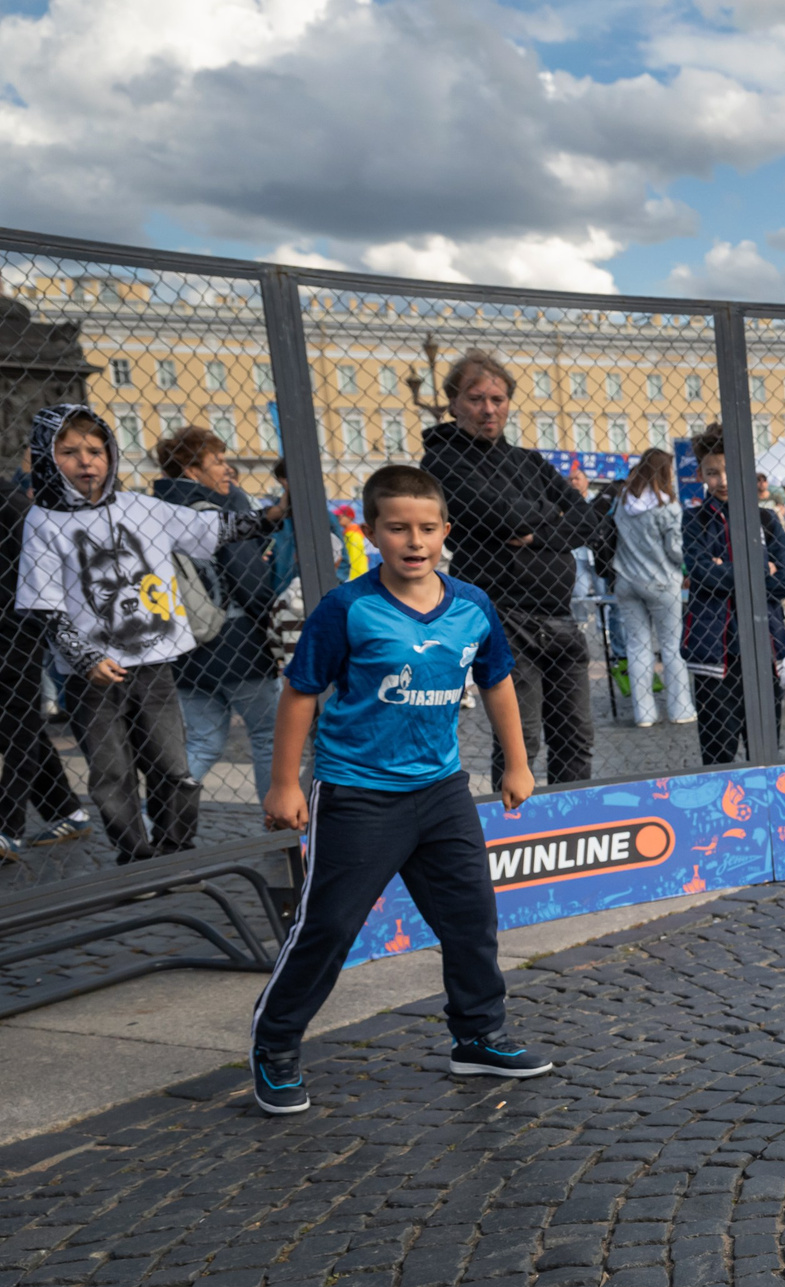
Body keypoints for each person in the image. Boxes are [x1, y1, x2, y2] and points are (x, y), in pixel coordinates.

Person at [247, 465, 546, 1114]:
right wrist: (284, 783)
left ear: (446, 531)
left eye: (427, 528)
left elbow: (496, 679)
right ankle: (274, 1045)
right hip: (357, 794)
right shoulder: (347, 609)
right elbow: (300, 692)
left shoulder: (472, 606)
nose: (415, 541)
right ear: (372, 531)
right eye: (399, 528)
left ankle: (477, 1035)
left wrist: (517, 764)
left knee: (471, 919)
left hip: (442, 791)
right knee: (328, 927)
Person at [16, 406, 269, 863]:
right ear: (47, 458)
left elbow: (212, 528)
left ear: (111, 454)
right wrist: (85, 658)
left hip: (154, 667)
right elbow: (43, 604)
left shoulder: (140, 507)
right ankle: (135, 858)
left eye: (95, 451)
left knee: (173, 765)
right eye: (69, 452)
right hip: (92, 678)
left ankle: (175, 849)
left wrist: (275, 515)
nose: (86, 461)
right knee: (111, 773)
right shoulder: (43, 521)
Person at [419, 350, 604, 790]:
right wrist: (552, 515)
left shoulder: (528, 461)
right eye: (476, 398)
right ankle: (519, 824)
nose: (489, 409)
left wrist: (535, 534)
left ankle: (571, 817)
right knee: (521, 741)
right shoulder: (442, 463)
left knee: (577, 738)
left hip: (559, 614)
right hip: (505, 616)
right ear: (454, 402)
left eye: (497, 399)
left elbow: (588, 521)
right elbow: (498, 512)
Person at [145, 427, 283, 801]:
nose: (227, 469)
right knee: (268, 735)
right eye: (218, 461)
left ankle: (154, 820)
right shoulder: (214, 514)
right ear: (192, 470)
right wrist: (270, 626)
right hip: (238, 645)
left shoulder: (155, 513)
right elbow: (248, 580)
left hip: (183, 645)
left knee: (203, 740)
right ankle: (280, 823)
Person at [681, 425, 785, 766]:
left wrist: (726, 568)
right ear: (701, 474)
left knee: (767, 748)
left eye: (729, 470)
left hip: (764, 645)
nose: (722, 480)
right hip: (714, 650)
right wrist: (762, 569)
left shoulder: (766, 519)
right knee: (718, 752)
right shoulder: (695, 520)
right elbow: (701, 573)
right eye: (713, 472)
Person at [0, 456, 86, 857]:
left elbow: (45, 568)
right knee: (20, 726)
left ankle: (8, 826)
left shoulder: (11, 504)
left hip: (15, 633)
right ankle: (66, 809)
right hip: (15, 629)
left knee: (17, 726)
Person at [610, 448, 693, 728]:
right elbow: (675, 551)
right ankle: (680, 708)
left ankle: (644, 713)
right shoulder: (668, 507)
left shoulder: (623, 501)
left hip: (626, 579)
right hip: (661, 581)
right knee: (672, 646)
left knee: (637, 646)